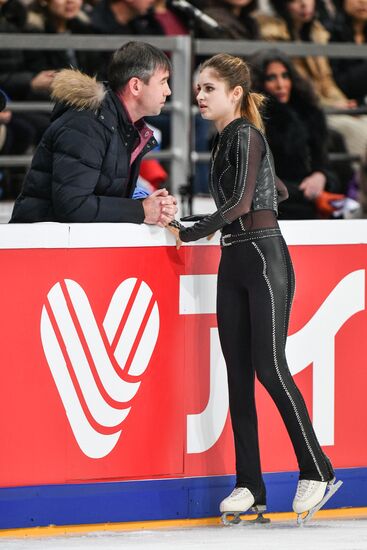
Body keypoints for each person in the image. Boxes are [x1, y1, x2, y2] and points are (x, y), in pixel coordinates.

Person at [168, 53, 341, 523]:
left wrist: (186, 229)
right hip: (235, 260)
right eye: (198, 89)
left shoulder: (244, 134)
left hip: (263, 257)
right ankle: (249, 483)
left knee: (268, 367)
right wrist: (263, 189)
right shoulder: (228, 139)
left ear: (235, 93)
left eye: (208, 88)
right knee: (238, 376)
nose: (199, 96)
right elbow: (275, 191)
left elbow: (242, 202)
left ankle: (317, 467)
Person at [10, 41, 177, 224]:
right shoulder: (85, 125)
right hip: (38, 245)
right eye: (163, 82)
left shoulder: (121, 125)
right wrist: (141, 210)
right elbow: (73, 206)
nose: (168, 91)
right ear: (135, 86)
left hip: (61, 242)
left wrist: (148, 206)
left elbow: (101, 196)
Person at [250, 49, 350, 219]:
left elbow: (325, 164)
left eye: (285, 76)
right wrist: (311, 194)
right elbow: (256, 183)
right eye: (271, 78)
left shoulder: (309, 113)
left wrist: (321, 176)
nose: (281, 84)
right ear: (259, 83)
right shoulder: (253, 123)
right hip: (274, 211)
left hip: (313, 206)